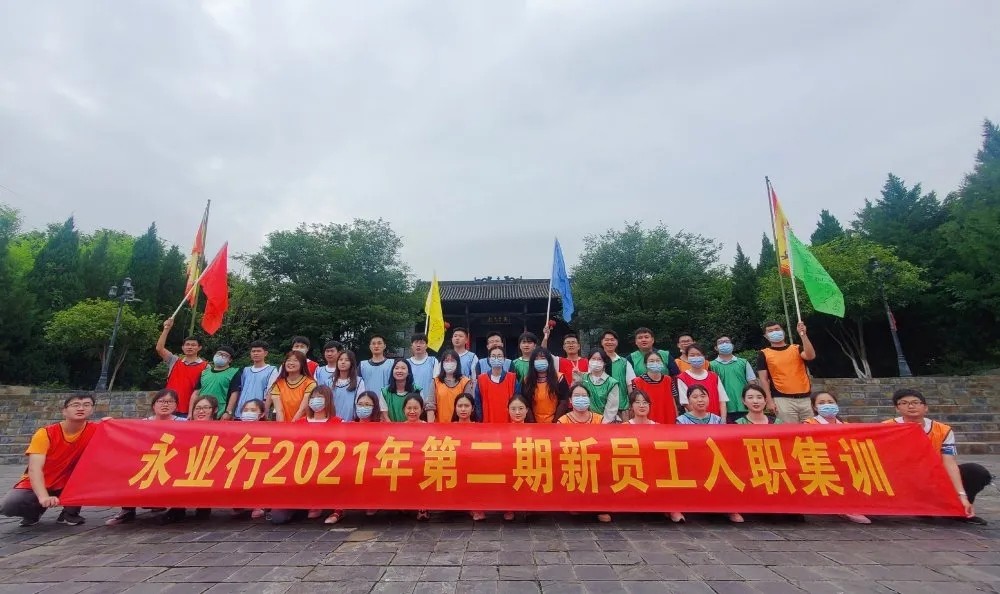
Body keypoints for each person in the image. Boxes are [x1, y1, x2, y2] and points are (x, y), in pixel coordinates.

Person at [885, 388, 992, 524]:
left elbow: (949, 462)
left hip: (934, 477)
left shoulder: (942, 430)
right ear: (897, 408)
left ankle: (957, 511)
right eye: (904, 403)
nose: (911, 406)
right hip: (902, 479)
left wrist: (962, 495)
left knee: (975, 471)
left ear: (925, 407)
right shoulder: (887, 428)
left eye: (915, 402)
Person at [1, 395, 99, 527]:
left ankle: (70, 513)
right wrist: (43, 496)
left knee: (92, 472)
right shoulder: (45, 433)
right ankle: (33, 512)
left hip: (70, 482)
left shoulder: (97, 429)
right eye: (75, 405)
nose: (81, 408)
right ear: (64, 411)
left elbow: (118, 434)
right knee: (10, 504)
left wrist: (110, 422)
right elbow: (34, 469)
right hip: (41, 481)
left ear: (92, 410)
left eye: (86, 405)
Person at [106, 389, 187, 526]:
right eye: (161, 401)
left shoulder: (185, 423)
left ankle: (177, 510)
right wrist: (110, 424)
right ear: (154, 405)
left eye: (169, 401)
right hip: (148, 461)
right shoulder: (142, 423)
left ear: (176, 405)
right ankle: (127, 510)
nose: (165, 404)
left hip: (174, 462)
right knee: (126, 469)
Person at [799, 391, 871, 525]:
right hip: (820, 460)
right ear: (814, 407)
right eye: (821, 403)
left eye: (830, 402)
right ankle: (845, 507)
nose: (827, 405)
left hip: (843, 460)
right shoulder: (809, 424)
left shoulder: (846, 425)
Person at [757, 321, 816, 424]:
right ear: (766, 336)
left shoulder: (796, 348)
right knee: (789, 431)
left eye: (777, 329)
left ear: (783, 332)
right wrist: (769, 401)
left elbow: (810, 356)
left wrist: (803, 335)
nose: (774, 332)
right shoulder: (764, 353)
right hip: (782, 399)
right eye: (770, 331)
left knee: (811, 430)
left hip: (805, 398)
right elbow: (763, 380)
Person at [155, 318, 207, 418]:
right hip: (169, 408)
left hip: (190, 411)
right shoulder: (174, 361)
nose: (190, 347)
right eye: (187, 345)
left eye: (193, 345)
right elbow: (159, 348)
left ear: (199, 348)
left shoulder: (205, 367)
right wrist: (166, 329)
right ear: (183, 347)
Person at [306, 350, 368, 422]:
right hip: (332, 422)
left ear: (352, 363)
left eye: (347, 360)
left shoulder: (359, 382)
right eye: (340, 360)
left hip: (350, 422)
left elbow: (360, 403)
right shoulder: (328, 382)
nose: (343, 362)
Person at [226, 340, 278, 420]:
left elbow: (270, 392)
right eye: (253, 351)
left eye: (258, 351)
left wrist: (265, 412)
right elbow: (238, 391)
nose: (255, 353)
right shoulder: (245, 370)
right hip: (241, 412)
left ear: (265, 353)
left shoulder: (272, 370)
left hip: (258, 413)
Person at [710, 336, 757, 424]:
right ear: (716, 348)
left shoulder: (743, 362)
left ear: (732, 345)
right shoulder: (711, 365)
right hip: (723, 409)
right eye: (720, 342)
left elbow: (752, 384)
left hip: (745, 407)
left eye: (727, 341)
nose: (724, 344)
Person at [676, 344, 729, 420]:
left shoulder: (714, 376)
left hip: (716, 420)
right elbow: (685, 403)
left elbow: (722, 400)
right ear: (687, 358)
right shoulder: (682, 378)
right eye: (692, 355)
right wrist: (703, 419)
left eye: (699, 355)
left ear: (704, 357)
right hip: (695, 421)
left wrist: (723, 420)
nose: (695, 357)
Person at [189, 345, 240, 418]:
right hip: (201, 412)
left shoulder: (234, 372)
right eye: (219, 353)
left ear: (230, 360)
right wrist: (190, 413)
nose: (220, 356)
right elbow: (195, 394)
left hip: (221, 412)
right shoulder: (204, 372)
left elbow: (234, 394)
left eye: (224, 355)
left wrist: (228, 412)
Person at [521, 347, 568, 424]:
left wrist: (555, 422)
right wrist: (532, 422)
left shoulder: (559, 378)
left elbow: (564, 402)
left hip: (556, 422)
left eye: (543, 358)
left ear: (549, 361)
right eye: (536, 359)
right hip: (533, 423)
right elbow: (525, 403)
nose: (540, 361)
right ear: (532, 362)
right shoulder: (526, 380)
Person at [631, 350, 677, 424]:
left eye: (658, 360)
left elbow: (673, 400)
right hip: (647, 421)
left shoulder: (668, 380)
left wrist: (676, 418)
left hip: (668, 418)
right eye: (651, 361)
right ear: (645, 364)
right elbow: (634, 404)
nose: (655, 363)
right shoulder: (637, 382)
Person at [475, 346, 520, 423]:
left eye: (499, 356)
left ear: (504, 359)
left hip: (509, 422)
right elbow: (478, 404)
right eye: (493, 356)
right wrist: (480, 421)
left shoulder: (512, 378)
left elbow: (518, 401)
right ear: (489, 359)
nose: (496, 358)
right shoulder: (481, 379)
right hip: (487, 422)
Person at [269, 351, 317, 422]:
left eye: (295, 360)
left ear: (302, 364)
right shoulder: (278, 384)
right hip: (283, 424)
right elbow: (279, 410)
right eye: (288, 360)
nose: (291, 363)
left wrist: (292, 426)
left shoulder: (310, 383)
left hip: (303, 424)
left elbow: (302, 409)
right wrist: (282, 426)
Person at [600, 331, 637, 420]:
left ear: (616, 342)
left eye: (612, 340)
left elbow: (630, 385)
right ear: (602, 342)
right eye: (606, 340)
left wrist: (632, 405)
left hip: (621, 407)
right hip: (600, 408)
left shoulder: (624, 362)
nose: (609, 342)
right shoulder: (596, 361)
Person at [433, 349, 474, 424]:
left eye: (452, 360)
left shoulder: (465, 382)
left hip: (460, 426)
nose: (449, 363)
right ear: (442, 363)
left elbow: (469, 405)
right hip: (440, 425)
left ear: (457, 363)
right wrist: (430, 426)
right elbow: (431, 406)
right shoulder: (436, 381)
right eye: (446, 360)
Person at [582, 349, 621, 423]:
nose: (596, 362)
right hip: (585, 421)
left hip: (604, 422)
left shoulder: (612, 383)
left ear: (604, 363)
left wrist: (602, 424)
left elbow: (611, 409)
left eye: (599, 359)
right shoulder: (583, 378)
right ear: (589, 361)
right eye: (593, 359)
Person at [407, 334, 437, 422]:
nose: (418, 345)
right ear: (411, 345)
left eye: (421, 343)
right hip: (410, 405)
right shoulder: (406, 363)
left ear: (426, 346)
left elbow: (436, 382)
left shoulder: (433, 361)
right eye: (416, 342)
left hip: (428, 406)